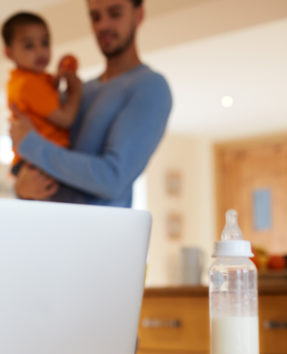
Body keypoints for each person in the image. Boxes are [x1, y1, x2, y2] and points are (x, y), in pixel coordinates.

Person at [10, 0, 173, 207]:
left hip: (100, 237)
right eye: (95, 17)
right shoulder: (78, 92)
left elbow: (112, 179)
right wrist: (21, 188)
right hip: (50, 231)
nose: (103, 25)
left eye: (115, 14)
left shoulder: (149, 87)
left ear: (138, 14)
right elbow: (43, 164)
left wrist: (30, 145)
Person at [0, 11, 83, 175]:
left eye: (45, 43)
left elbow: (45, 104)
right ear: (9, 53)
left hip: (31, 159)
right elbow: (65, 119)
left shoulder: (26, 80)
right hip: (37, 163)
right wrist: (75, 92)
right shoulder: (28, 85)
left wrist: (57, 82)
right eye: (29, 45)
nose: (40, 51)